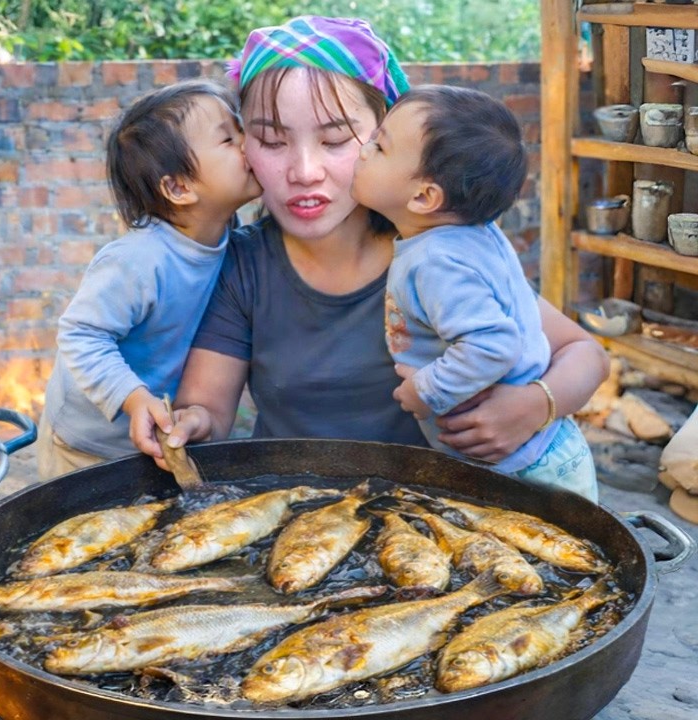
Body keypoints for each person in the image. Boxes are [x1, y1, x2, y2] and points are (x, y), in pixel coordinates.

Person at [133, 17, 608, 483]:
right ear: (244, 146)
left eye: (336, 139)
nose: (304, 170)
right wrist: (187, 424)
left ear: (385, 135)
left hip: (433, 514)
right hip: (298, 516)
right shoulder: (243, 266)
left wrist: (533, 407)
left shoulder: (437, 250)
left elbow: (584, 352)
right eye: (272, 140)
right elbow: (208, 409)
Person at [351, 84, 596, 499]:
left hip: (522, 467)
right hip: (545, 449)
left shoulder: (436, 262)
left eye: (379, 147)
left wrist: (425, 390)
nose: (361, 151)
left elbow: (493, 344)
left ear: (425, 196)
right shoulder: (474, 234)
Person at [37, 79, 263, 479]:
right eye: (229, 139)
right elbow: (81, 334)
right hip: (84, 446)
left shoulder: (235, 242)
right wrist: (132, 397)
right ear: (178, 187)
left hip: (153, 440)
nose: (249, 144)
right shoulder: (139, 261)